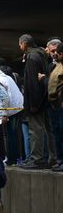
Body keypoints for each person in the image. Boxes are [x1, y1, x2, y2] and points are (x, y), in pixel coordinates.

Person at [18, 34, 56, 169]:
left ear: (24, 44)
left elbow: (32, 83)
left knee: (36, 130)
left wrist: (33, 103)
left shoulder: (32, 57)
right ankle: (51, 159)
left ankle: (37, 159)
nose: (19, 47)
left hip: (36, 101)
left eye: (20, 44)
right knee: (48, 129)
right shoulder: (40, 55)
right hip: (44, 98)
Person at [0, 62, 24, 165]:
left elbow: (4, 98)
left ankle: (11, 159)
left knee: (10, 136)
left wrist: (3, 115)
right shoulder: (7, 77)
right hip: (18, 108)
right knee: (16, 135)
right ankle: (18, 158)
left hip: (11, 111)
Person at [48, 43, 63, 171]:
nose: (55, 54)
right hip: (55, 104)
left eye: (57, 52)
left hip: (60, 104)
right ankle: (60, 160)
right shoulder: (57, 66)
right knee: (57, 133)